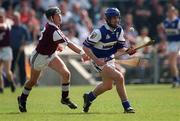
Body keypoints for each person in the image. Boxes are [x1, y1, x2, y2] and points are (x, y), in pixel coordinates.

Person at [17, 7, 89, 112]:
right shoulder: (53, 30)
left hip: (50, 55)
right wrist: (82, 53)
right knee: (33, 81)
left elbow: (51, 40)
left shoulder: (53, 27)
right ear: (51, 18)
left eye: (60, 14)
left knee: (66, 74)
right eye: (57, 15)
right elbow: (69, 43)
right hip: (39, 57)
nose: (60, 16)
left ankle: (65, 98)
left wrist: (56, 45)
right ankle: (22, 99)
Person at [82, 8, 136, 113]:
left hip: (110, 60)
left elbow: (121, 48)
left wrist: (128, 50)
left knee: (108, 86)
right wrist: (96, 60)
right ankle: (127, 106)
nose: (116, 20)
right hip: (98, 61)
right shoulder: (99, 32)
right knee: (119, 77)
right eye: (113, 18)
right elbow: (85, 47)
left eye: (118, 17)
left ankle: (89, 97)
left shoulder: (119, 30)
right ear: (107, 19)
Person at [10, 11, 30, 86]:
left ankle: (22, 83)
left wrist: (23, 46)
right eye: (14, 19)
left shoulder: (23, 28)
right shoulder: (10, 28)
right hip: (11, 50)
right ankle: (10, 84)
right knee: (11, 68)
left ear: (19, 19)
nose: (16, 20)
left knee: (22, 67)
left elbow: (28, 39)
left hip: (20, 50)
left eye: (17, 18)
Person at [162, 6, 180, 88]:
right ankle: (176, 80)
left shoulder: (177, 21)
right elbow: (165, 32)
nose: (170, 13)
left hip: (176, 43)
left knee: (172, 62)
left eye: (171, 11)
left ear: (174, 12)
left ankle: (175, 80)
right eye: (169, 11)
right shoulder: (166, 21)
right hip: (169, 43)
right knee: (171, 63)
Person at [0, 8, 16, 93]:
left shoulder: (7, 23)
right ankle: (1, 87)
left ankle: (12, 82)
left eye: (1, 17)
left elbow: (4, 26)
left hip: (6, 49)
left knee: (7, 71)